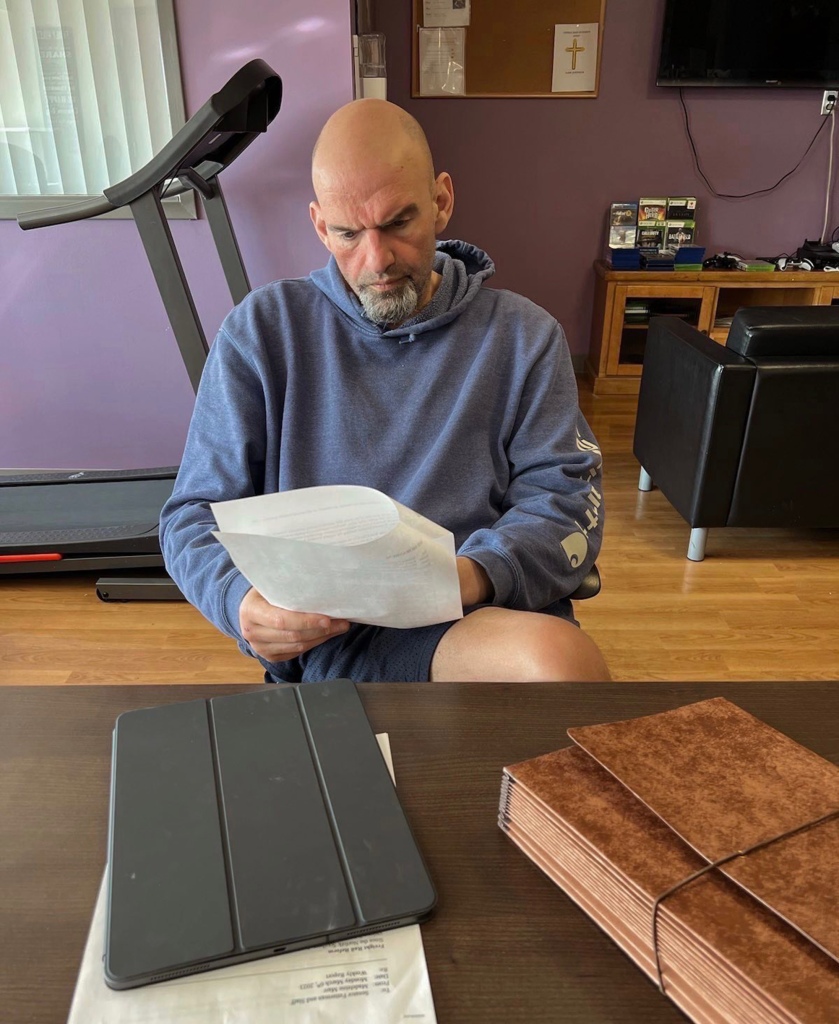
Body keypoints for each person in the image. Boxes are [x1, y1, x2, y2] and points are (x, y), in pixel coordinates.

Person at [159, 99, 610, 683]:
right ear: (320, 225)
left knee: (558, 666)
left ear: (442, 201)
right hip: (337, 641)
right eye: (348, 234)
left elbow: (566, 499)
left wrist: (470, 575)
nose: (378, 260)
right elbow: (192, 514)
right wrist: (241, 603)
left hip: (480, 611)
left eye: (399, 223)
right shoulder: (262, 332)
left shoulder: (525, 337)